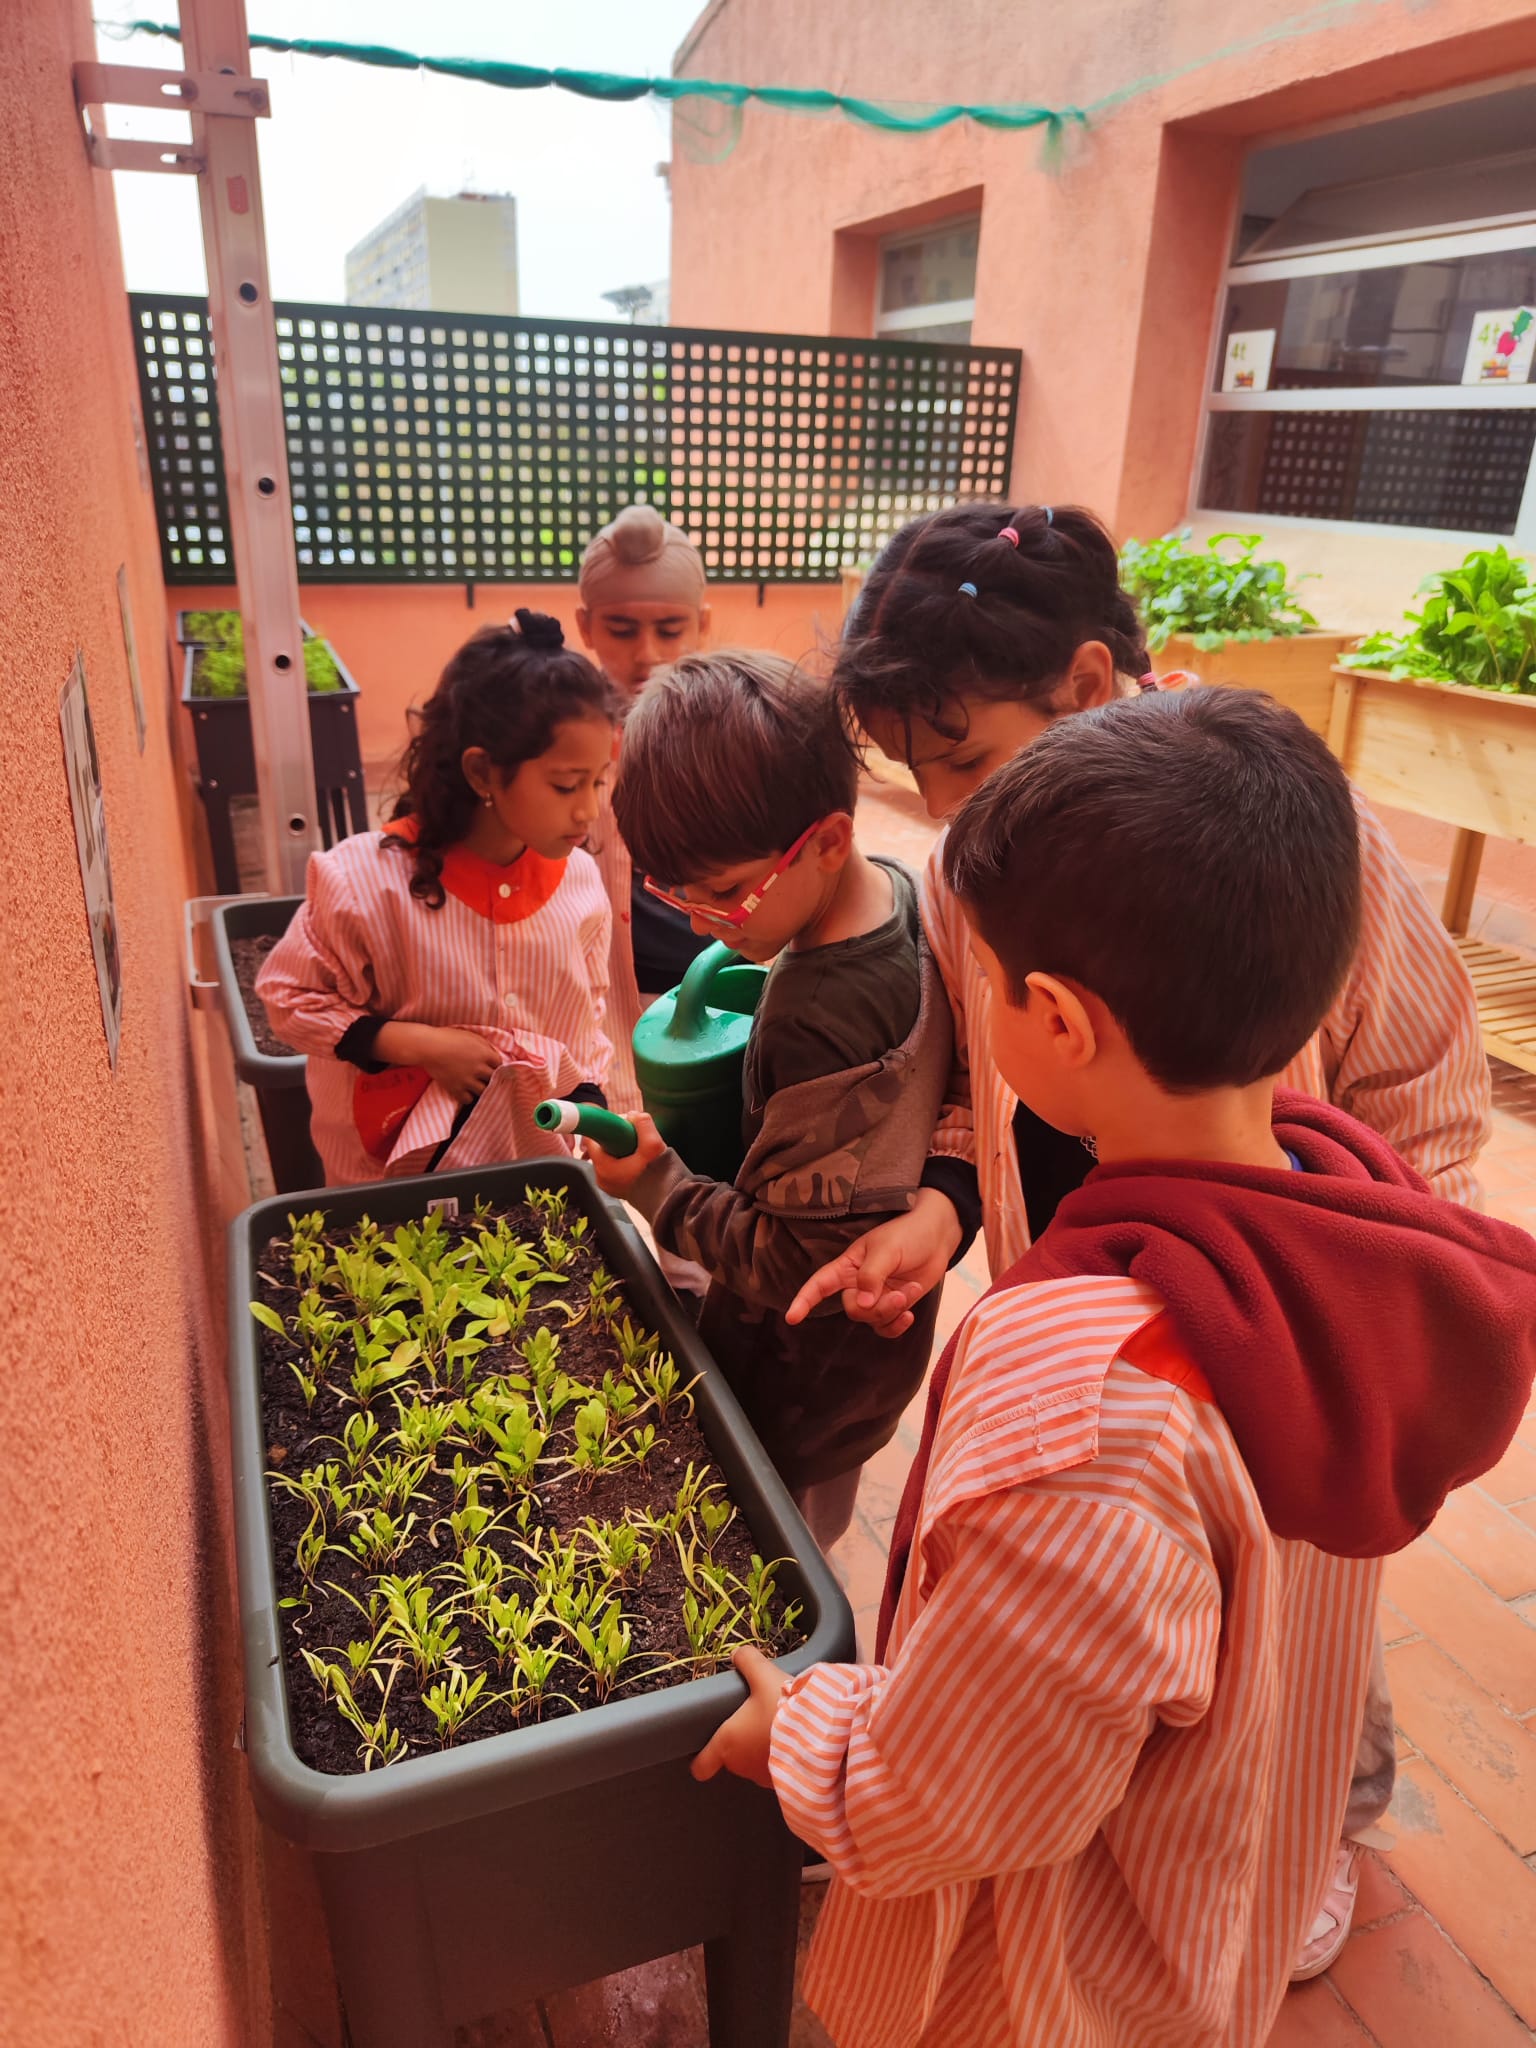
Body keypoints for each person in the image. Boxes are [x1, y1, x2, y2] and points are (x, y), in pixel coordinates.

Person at [694, 687, 1536, 2048]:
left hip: (1064, 1983)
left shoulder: (1085, 1413)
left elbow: (970, 1788)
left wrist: (802, 1737)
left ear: (1057, 1021)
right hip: (1221, 1903)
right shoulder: (1352, 1220)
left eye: (985, 980)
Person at [588, 652, 952, 1552]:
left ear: (827, 840)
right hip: (868, 1364)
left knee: (776, 1555)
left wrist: (659, 1187)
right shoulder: (900, 894)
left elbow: (793, 1263)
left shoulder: (815, 1015)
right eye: (671, 891)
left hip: (800, 1376)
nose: (699, 921)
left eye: (721, 892)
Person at [256, 611, 618, 1186]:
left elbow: (586, 1016)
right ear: (482, 773)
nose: (588, 810)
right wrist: (419, 1045)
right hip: (385, 1188)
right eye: (566, 785)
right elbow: (288, 997)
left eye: (598, 781)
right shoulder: (362, 883)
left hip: (531, 1176)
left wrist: (592, 1105)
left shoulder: (580, 881)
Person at [576, 504, 716, 1101]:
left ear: (702, 624)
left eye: (670, 628)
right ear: (585, 627)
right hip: (601, 998)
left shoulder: (730, 733)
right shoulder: (562, 741)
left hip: (715, 987)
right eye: (622, 629)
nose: (648, 652)